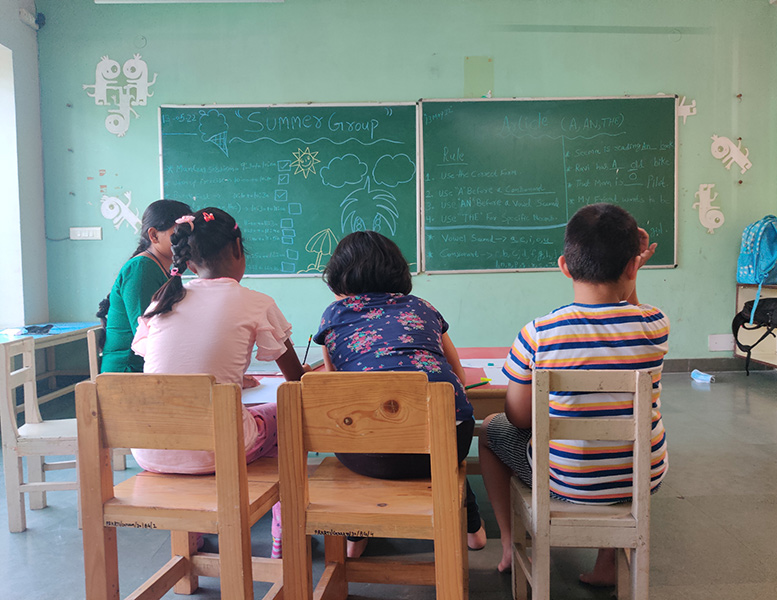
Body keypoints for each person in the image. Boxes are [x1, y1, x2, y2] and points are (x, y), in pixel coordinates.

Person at [478, 203, 669, 581]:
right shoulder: (654, 325)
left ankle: (508, 544)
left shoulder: (539, 334)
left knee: (490, 430)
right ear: (633, 267)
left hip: (569, 480)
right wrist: (632, 269)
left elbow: (518, 418)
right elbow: (630, 313)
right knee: (612, 427)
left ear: (565, 266)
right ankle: (607, 562)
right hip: (642, 476)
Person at [130, 207, 305, 558]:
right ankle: (285, 534)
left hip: (149, 450)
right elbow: (297, 380)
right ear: (238, 249)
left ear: (190, 261)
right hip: (217, 452)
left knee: (224, 418)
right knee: (286, 415)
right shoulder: (256, 302)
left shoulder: (161, 302)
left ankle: (192, 536)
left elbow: (170, 366)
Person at [313, 230, 486, 558]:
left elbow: (335, 392)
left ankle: (356, 534)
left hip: (369, 456)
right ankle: (472, 529)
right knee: (447, 452)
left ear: (338, 277)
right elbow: (458, 379)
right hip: (444, 447)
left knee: (358, 429)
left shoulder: (332, 316)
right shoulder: (422, 307)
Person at [97, 199, 193, 373]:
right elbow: (147, 336)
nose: (185, 241)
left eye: (188, 235)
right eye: (178, 234)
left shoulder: (160, 269)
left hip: (150, 367)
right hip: (128, 373)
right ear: (154, 235)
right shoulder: (141, 268)